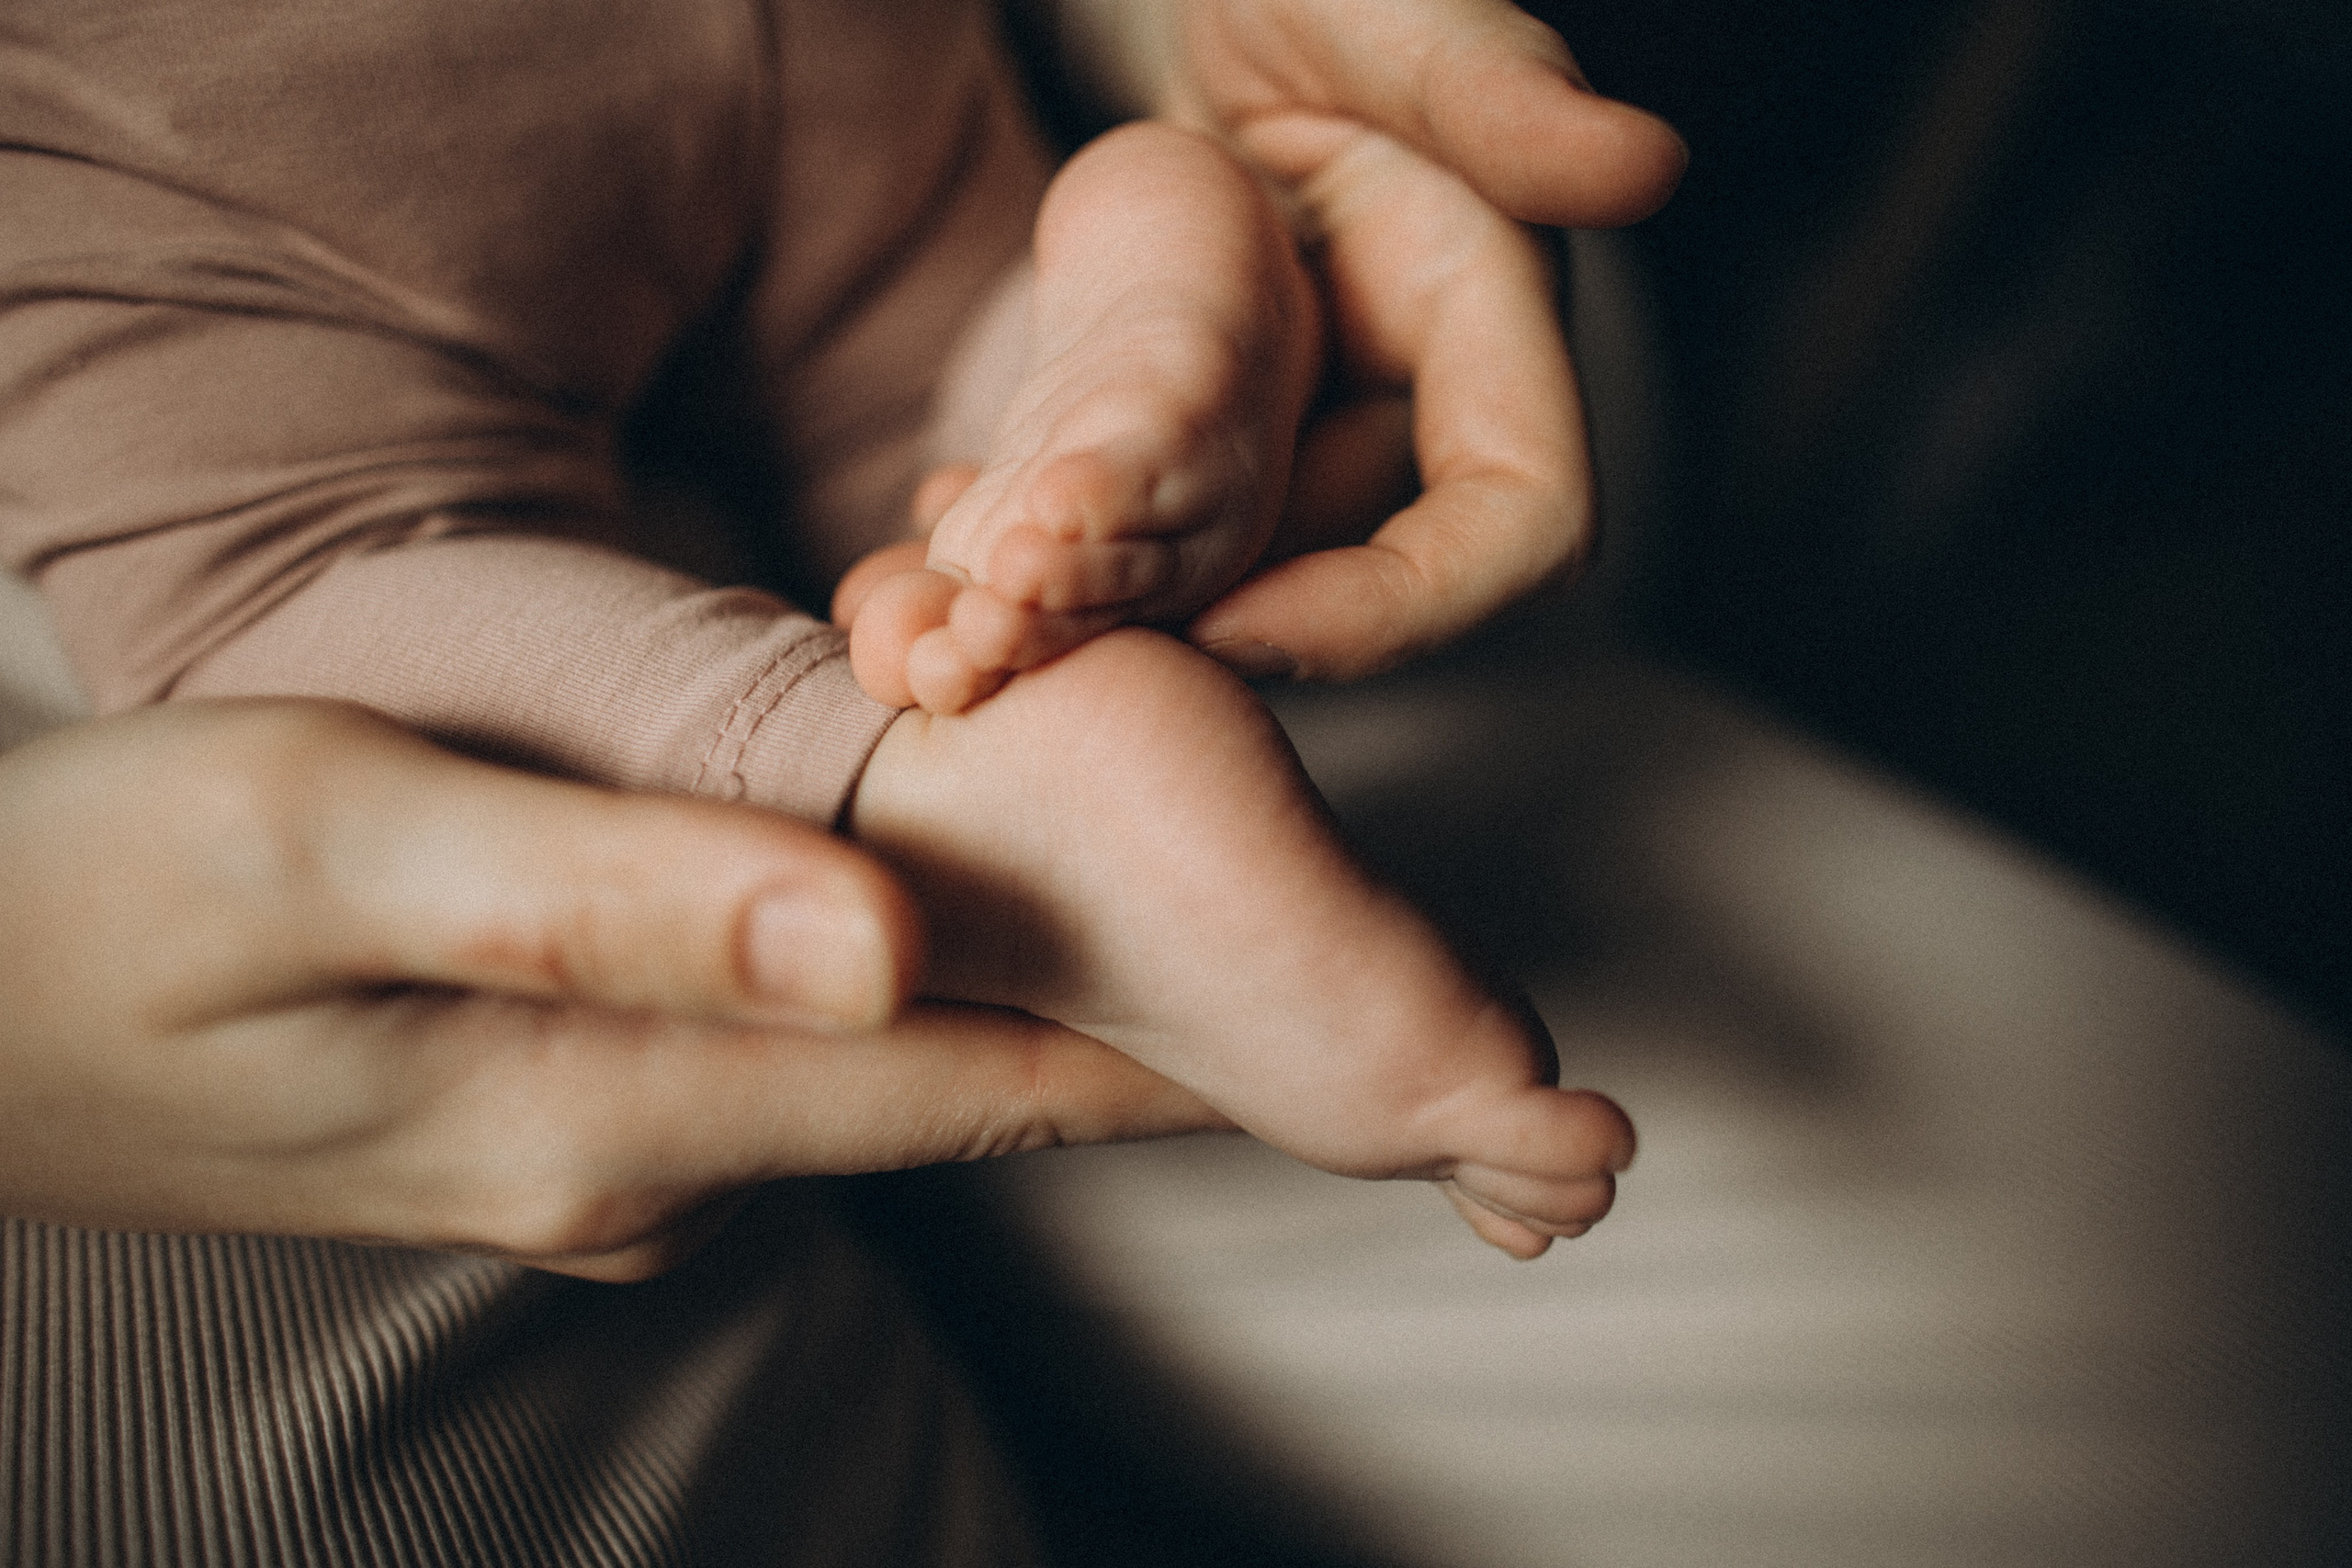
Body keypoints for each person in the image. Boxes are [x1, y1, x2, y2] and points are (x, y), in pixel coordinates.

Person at [0, 0, 1679, 1259]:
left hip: (179, 105)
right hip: (847, 56)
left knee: (305, 577)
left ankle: (932, 781)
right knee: (1004, 401)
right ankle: (1127, 332)